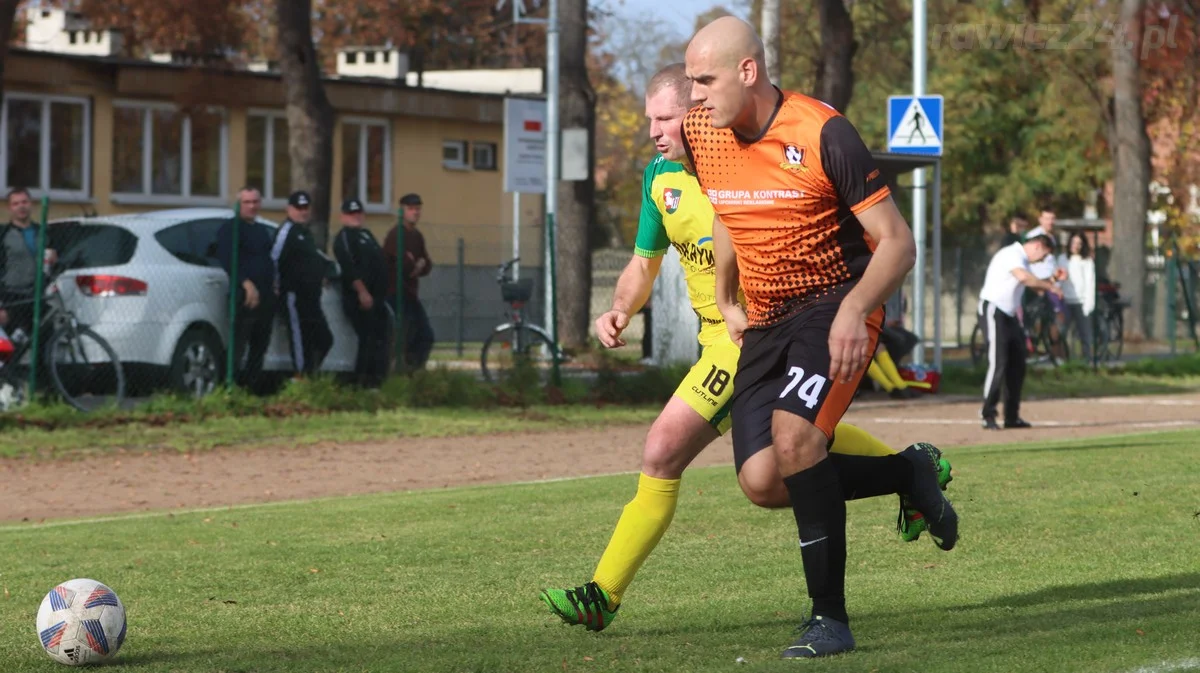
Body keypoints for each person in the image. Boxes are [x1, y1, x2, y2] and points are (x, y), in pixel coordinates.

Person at [539, 63, 952, 635]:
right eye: (649, 120)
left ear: (702, 111)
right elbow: (643, 262)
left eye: (665, 118)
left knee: (669, 449)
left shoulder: (744, 158)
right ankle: (910, 470)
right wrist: (619, 309)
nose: (654, 132)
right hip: (720, 340)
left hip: (755, 337)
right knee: (784, 458)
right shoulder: (660, 178)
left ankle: (604, 593)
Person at [683, 17, 958, 658]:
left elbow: (897, 242)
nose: (695, 96)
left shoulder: (823, 130)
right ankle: (908, 471)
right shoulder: (704, 133)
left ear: (747, 71)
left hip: (836, 303)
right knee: (763, 482)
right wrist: (727, 295)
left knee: (796, 437)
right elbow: (728, 210)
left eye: (704, 79)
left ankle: (829, 619)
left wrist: (856, 308)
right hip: (769, 316)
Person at [978, 234, 1062, 430]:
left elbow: (1035, 284)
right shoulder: (1012, 253)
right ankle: (987, 413)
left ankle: (1011, 416)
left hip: (1009, 314)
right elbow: (1025, 278)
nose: (1040, 260)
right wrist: (1051, 286)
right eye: (1042, 256)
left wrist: (1053, 279)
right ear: (1038, 246)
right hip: (994, 309)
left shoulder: (1022, 259)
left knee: (1017, 363)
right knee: (999, 362)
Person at [214, 187, 278, 389]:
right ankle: (230, 384)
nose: (252, 206)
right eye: (247, 202)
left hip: (266, 294)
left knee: (260, 343)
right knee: (239, 341)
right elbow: (227, 259)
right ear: (238, 204)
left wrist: (273, 283)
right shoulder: (231, 229)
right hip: (245, 295)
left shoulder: (260, 230)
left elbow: (268, 259)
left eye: (255, 202)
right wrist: (246, 284)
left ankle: (252, 386)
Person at [270, 190, 334, 376]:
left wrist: (323, 274)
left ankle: (310, 374)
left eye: (306, 208)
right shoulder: (286, 231)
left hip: (312, 296)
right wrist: (275, 284)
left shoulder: (306, 233)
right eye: (299, 208)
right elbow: (274, 258)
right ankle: (301, 377)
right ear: (289, 209)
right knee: (300, 339)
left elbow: (314, 259)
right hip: (293, 296)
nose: (303, 212)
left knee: (324, 339)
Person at [333, 197, 391, 387]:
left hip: (378, 297)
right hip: (359, 298)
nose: (355, 217)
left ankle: (378, 380)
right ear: (343, 216)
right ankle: (362, 382)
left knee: (381, 337)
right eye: (351, 214)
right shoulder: (344, 238)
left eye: (358, 213)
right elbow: (350, 268)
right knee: (367, 338)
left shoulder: (366, 234)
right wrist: (362, 292)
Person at [384, 193, 434, 371]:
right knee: (401, 339)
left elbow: (426, 264)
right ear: (402, 211)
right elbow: (404, 266)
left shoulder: (417, 236)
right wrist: (415, 264)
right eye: (411, 209)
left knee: (425, 336)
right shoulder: (396, 235)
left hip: (410, 294)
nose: (415, 212)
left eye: (418, 209)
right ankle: (398, 372)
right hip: (395, 294)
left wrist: (418, 264)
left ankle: (413, 371)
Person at [0, 188, 57, 338]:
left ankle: (42, 362)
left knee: (45, 336)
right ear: (10, 208)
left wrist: (54, 258)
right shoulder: (3, 234)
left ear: (31, 204)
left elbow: (54, 257)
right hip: (11, 296)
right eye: (16, 203)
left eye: (24, 202)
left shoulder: (43, 231)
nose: (21, 206)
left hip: (38, 294)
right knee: (12, 346)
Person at [1059, 232, 1096, 361]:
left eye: (1079, 243)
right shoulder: (1062, 259)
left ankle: (1086, 360)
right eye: (1074, 243)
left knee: (1084, 333)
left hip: (1081, 301)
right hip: (1066, 300)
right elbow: (1059, 278)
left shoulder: (1086, 261)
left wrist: (1088, 304)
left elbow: (1089, 282)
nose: (1076, 246)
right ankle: (1063, 358)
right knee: (1062, 331)